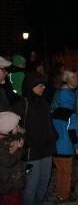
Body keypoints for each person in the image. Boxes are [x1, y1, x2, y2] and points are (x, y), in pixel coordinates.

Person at [12, 71, 57, 205]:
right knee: (31, 186)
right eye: (40, 85)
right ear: (30, 86)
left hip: (47, 150)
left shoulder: (44, 102)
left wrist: (54, 135)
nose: (43, 87)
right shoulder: (21, 105)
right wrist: (24, 140)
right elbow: (12, 128)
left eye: (43, 85)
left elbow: (49, 123)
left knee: (44, 183)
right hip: (31, 153)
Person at [50, 68, 78, 203]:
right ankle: (63, 196)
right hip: (66, 148)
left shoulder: (54, 113)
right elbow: (72, 131)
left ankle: (60, 194)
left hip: (55, 148)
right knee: (66, 174)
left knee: (60, 172)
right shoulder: (71, 114)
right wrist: (77, 146)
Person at [0, 111, 25, 205]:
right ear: (8, 129)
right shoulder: (3, 144)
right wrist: (19, 149)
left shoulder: (9, 137)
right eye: (16, 126)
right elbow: (9, 162)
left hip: (11, 182)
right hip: (8, 184)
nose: (19, 128)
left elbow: (23, 132)